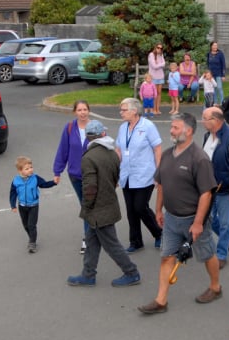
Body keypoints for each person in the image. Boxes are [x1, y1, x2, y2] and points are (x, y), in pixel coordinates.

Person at [138, 112, 222, 314]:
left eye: (175, 128)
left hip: (194, 220)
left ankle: (215, 287)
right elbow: (161, 185)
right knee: (167, 257)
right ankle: (161, 301)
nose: (171, 131)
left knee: (207, 254)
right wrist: (158, 210)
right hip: (171, 219)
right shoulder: (167, 155)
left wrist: (199, 223)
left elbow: (206, 194)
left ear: (189, 130)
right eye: (172, 127)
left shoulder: (199, 158)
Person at [67, 120, 142, 288]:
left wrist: (87, 207)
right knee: (92, 241)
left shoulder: (88, 157)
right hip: (108, 204)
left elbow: (89, 187)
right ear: (102, 135)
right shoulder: (112, 153)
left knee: (111, 244)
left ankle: (131, 272)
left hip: (97, 209)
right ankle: (88, 274)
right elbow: (116, 179)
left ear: (88, 137)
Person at [116, 97, 163, 254]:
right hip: (127, 175)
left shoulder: (148, 126)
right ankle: (135, 241)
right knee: (131, 210)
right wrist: (115, 172)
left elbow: (157, 148)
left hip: (144, 174)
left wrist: (159, 171)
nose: (120, 113)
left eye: (123, 110)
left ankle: (159, 233)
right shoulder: (123, 128)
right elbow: (119, 150)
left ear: (134, 111)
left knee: (140, 207)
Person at [201, 106, 229, 269]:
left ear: (216, 121)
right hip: (209, 187)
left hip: (226, 189)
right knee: (209, 219)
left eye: (205, 118)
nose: (203, 121)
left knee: (225, 223)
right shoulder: (207, 136)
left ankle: (221, 254)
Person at [53, 100, 92, 255]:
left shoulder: (96, 128)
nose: (82, 112)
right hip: (75, 175)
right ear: (75, 112)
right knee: (85, 205)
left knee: (88, 205)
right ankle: (90, 236)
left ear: (89, 111)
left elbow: (105, 150)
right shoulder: (69, 128)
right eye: (79, 110)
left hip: (92, 175)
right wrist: (57, 172)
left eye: (85, 109)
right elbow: (63, 150)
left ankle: (89, 238)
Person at [9, 155, 57, 253]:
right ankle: (31, 238)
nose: (30, 170)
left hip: (33, 206)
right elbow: (13, 194)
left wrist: (54, 182)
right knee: (26, 225)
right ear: (20, 170)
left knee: (31, 225)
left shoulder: (35, 178)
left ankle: (32, 243)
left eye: (31, 167)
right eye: (27, 169)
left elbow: (44, 184)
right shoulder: (15, 181)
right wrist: (13, 205)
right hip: (22, 206)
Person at [206, 41, 226, 105]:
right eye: (214, 45)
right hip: (211, 74)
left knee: (219, 88)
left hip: (219, 74)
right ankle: (215, 102)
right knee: (213, 88)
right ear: (211, 46)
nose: (215, 47)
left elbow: (223, 64)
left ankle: (222, 102)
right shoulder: (209, 54)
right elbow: (208, 64)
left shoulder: (220, 54)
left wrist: (223, 75)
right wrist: (208, 74)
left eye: (216, 45)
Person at [148, 43, 166, 115]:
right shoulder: (151, 55)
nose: (159, 49)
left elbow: (164, 64)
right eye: (158, 47)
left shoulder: (161, 55)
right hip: (153, 76)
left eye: (161, 48)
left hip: (160, 76)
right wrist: (160, 64)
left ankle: (158, 109)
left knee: (159, 93)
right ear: (155, 47)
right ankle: (153, 109)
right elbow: (154, 66)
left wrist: (159, 64)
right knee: (154, 94)